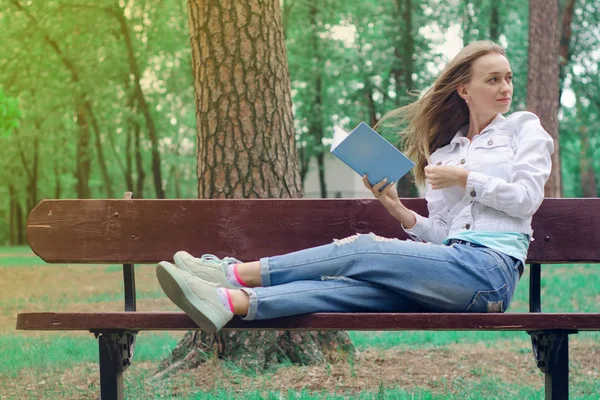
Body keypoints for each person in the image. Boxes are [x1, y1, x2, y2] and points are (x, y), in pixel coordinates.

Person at [155, 40, 554, 334]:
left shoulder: (523, 127)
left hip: (490, 275)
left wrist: (466, 179)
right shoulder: (444, 153)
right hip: (452, 270)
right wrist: (398, 210)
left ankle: (233, 274)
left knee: (363, 247)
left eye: (508, 78)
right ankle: (228, 302)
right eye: (493, 79)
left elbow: (526, 200)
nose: (505, 87)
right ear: (464, 90)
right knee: (351, 289)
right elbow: (446, 235)